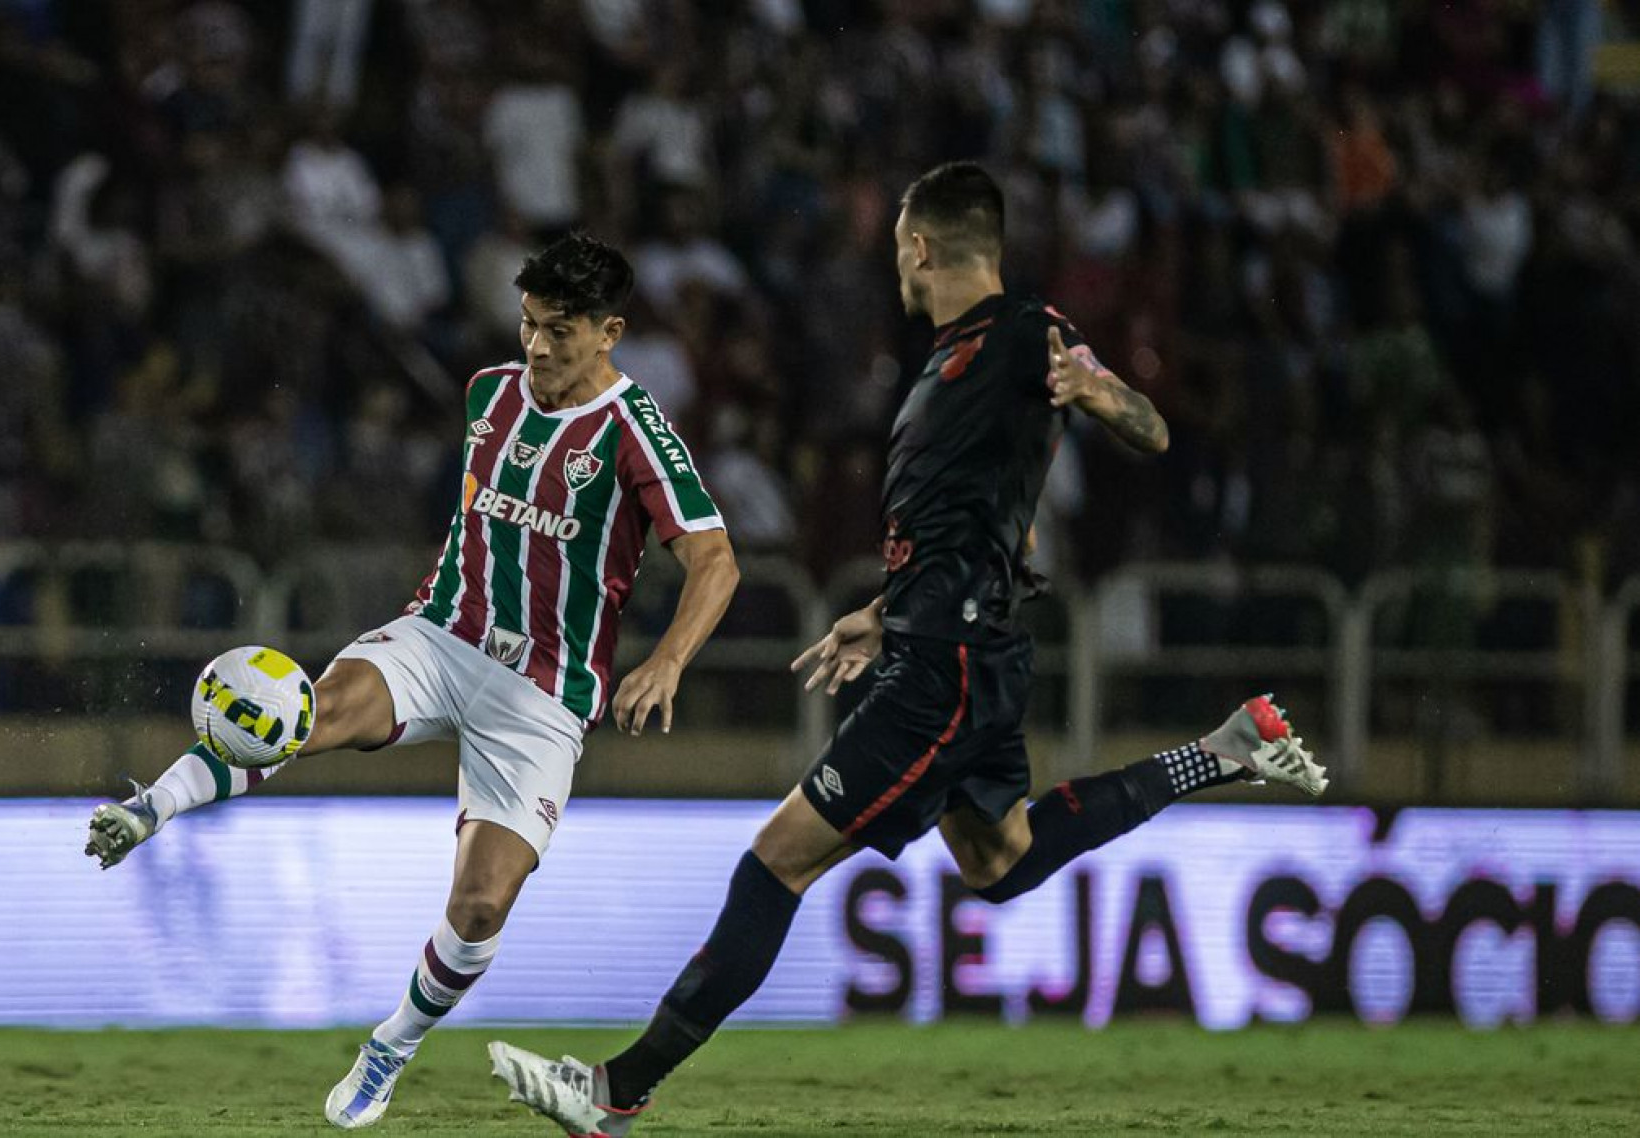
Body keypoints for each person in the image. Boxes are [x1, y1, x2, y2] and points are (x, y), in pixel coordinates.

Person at [487, 162, 1327, 1136]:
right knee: (1000, 857)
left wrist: (1100, 395)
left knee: (775, 864)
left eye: (896, 245)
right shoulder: (950, 359)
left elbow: (1151, 427)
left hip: (946, 668)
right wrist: (885, 610)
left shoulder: (1023, 336)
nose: (894, 260)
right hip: (953, 642)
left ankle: (615, 1091)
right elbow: (971, 520)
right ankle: (1224, 751)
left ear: (920, 248)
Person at [83, 232, 739, 1130]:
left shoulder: (634, 432)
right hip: (441, 634)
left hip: (542, 692)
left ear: (609, 331)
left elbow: (715, 561)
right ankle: (147, 808)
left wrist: (666, 660)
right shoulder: (488, 394)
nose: (538, 348)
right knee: (299, 713)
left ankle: (391, 1041)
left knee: (478, 905)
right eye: (528, 325)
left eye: (559, 331)